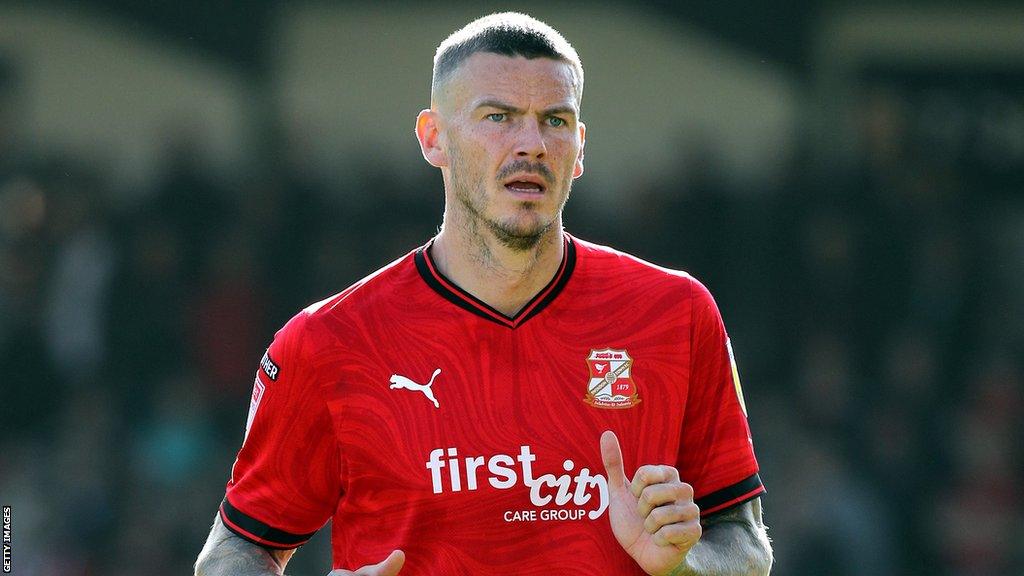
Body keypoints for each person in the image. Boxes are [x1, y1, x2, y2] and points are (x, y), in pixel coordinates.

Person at [195, 12, 772, 576]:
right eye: (499, 116)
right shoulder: (328, 342)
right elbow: (236, 550)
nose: (532, 143)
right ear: (434, 138)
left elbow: (746, 547)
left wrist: (683, 568)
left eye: (555, 120)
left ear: (580, 148)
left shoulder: (674, 313)